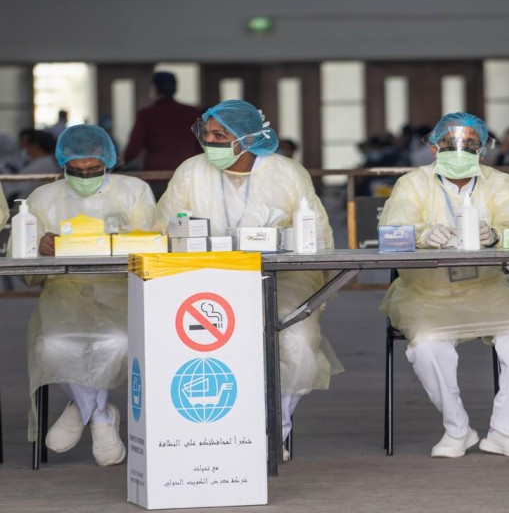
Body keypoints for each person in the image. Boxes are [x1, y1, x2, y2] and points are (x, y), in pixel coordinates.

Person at [153, 99, 341, 462]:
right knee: (204, 341)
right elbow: (163, 229)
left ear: (248, 139)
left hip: (284, 277)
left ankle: (275, 427)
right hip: (206, 277)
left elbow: (316, 236)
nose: (210, 142)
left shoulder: (287, 174)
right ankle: (219, 431)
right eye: (207, 134)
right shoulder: (191, 172)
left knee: (298, 342)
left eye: (220, 135)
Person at [378, 112, 509, 458]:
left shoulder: (500, 182)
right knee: (427, 345)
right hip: (426, 292)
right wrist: (423, 235)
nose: (460, 149)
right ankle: (457, 430)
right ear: (434, 147)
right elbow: (392, 230)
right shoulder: (412, 183)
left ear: (483, 149)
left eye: (470, 143)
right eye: (450, 142)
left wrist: (496, 234)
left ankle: (504, 431)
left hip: (488, 288)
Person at [17, 125, 156, 466]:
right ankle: (99, 414)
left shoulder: (134, 192)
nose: (84, 177)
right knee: (51, 344)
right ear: (63, 165)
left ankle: (81, 408)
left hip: (120, 291)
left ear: (109, 162)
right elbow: (24, 267)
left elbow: (151, 247)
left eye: (93, 170)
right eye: (75, 171)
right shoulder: (43, 199)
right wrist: (39, 249)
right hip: (64, 294)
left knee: (117, 341)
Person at [123, 71, 202, 199]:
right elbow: (202, 145)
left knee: (158, 211)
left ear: (154, 89)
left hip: (156, 177)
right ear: (175, 89)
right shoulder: (192, 113)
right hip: (188, 176)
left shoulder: (147, 115)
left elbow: (133, 150)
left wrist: (116, 163)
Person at [3, 129, 57, 204]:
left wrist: (4, 173)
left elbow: (15, 194)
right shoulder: (52, 162)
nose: (26, 150)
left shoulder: (37, 166)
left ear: (35, 146)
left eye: (26, 146)